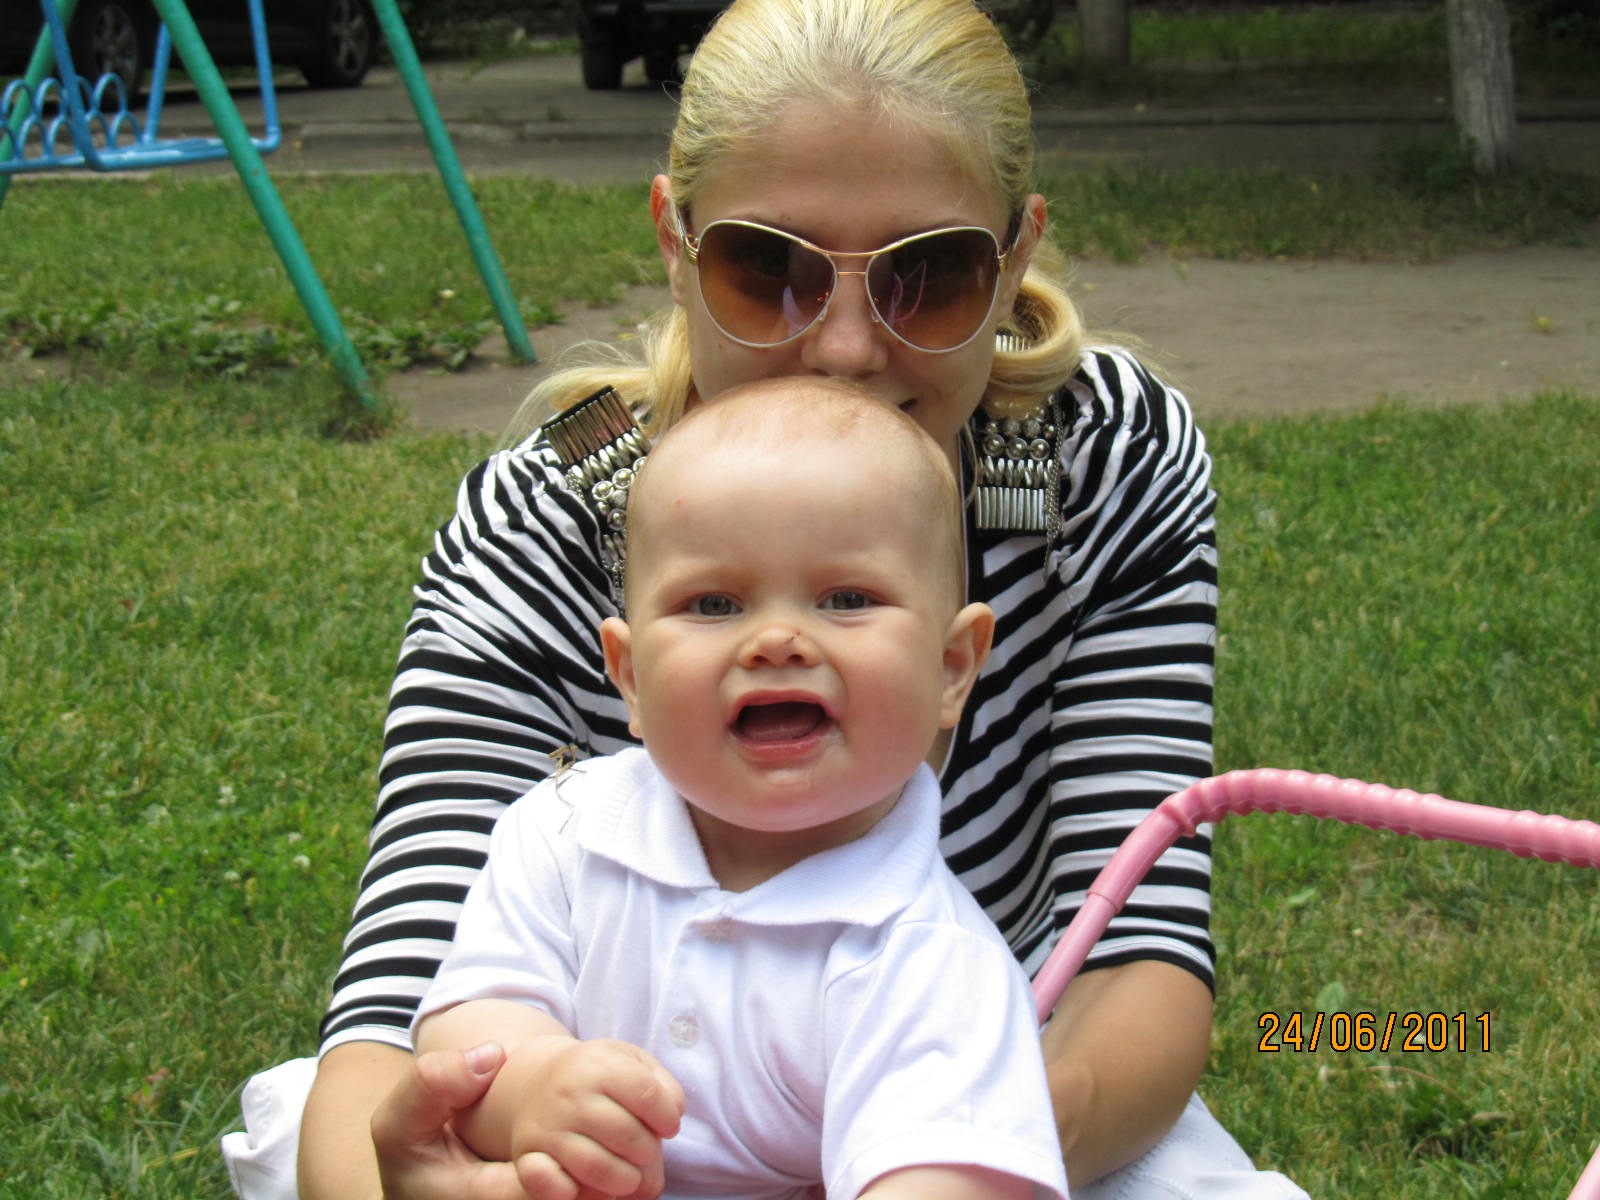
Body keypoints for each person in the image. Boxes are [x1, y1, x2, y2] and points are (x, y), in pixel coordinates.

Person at [221, 0, 1311, 1196]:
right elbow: (396, 1020)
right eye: (767, 269)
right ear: (674, 242)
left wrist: (946, 1137)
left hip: (982, 1087)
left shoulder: (1093, 461)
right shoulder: (547, 523)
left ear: (1014, 258)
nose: (844, 347)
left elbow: (1137, 952)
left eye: (931, 274)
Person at [410, 377, 1069, 1200]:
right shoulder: (564, 832)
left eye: (847, 599)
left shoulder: (935, 966)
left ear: (951, 667)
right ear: (631, 677)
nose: (777, 639)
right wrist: (532, 1086)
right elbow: (465, 1026)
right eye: (714, 603)